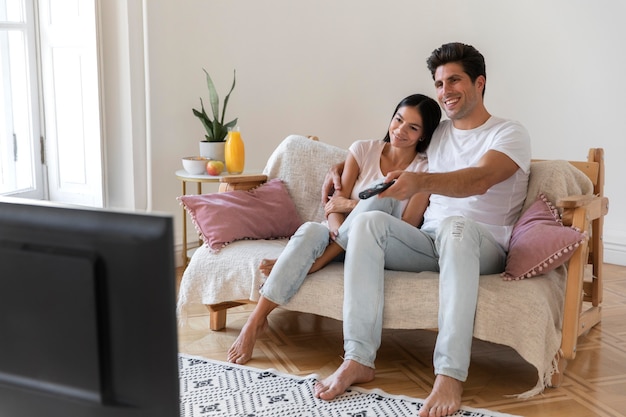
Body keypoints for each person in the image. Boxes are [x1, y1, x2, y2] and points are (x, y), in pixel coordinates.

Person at [314, 42, 531, 417]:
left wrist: (420, 183)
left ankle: (449, 374)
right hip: (427, 241)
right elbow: (392, 146)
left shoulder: (509, 133)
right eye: (439, 82)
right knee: (368, 221)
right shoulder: (439, 133)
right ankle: (358, 358)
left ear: (480, 83)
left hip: (480, 246)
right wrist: (338, 166)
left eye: (454, 80)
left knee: (457, 228)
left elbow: (478, 180)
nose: (445, 90)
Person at [226, 93, 442, 365]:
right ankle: (255, 321)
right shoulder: (363, 150)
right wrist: (337, 231)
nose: (400, 130)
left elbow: (406, 227)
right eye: (398, 120)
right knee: (309, 231)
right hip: (336, 235)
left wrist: (352, 205)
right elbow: (332, 207)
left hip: (379, 245)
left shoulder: (423, 171)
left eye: (413, 127)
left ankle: (314, 263)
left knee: (379, 198)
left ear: (424, 135)